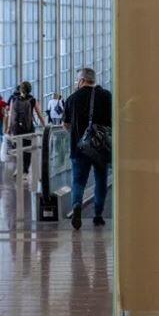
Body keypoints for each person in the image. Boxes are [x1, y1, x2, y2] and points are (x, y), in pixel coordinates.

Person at [62, 68, 112, 230]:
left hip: (79, 148)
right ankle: (98, 215)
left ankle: (77, 206)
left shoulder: (71, 99)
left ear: (82, 80)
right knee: (101, 180)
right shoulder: (106, 96)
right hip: (101, 148)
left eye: (78, 80)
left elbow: (66, 125)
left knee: (78, 181)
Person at [6, 81, 46, 175]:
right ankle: (25, 171)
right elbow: (40, 114)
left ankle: (18, 169)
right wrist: (45, 126)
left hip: (16, 129)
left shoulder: (14, 99)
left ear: (20, 89)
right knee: (27, 150)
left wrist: (8, 128)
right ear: (30, 89)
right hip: (29, 128)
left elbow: (11, 114)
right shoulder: (32, 100)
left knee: (18, 149)